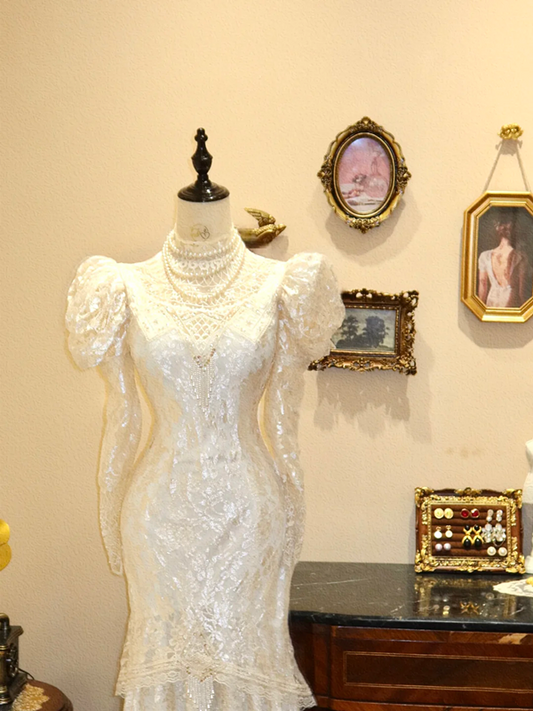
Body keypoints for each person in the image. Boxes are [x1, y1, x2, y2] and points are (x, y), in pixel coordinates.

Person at [65, 131, 345, 711]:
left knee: (244, 664)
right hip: (157, 518)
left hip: (248, 512)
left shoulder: (281, 286)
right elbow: (123, 415)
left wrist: (291, 514)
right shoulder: (123, 286)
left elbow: (284, 420)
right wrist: (112, 514)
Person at [477, 215, 532, 308]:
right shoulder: (521, 256)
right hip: (511, 303)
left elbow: (483, 283)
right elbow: (522, 291)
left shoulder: (484, 256)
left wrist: (479, 309)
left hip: (492, 302)